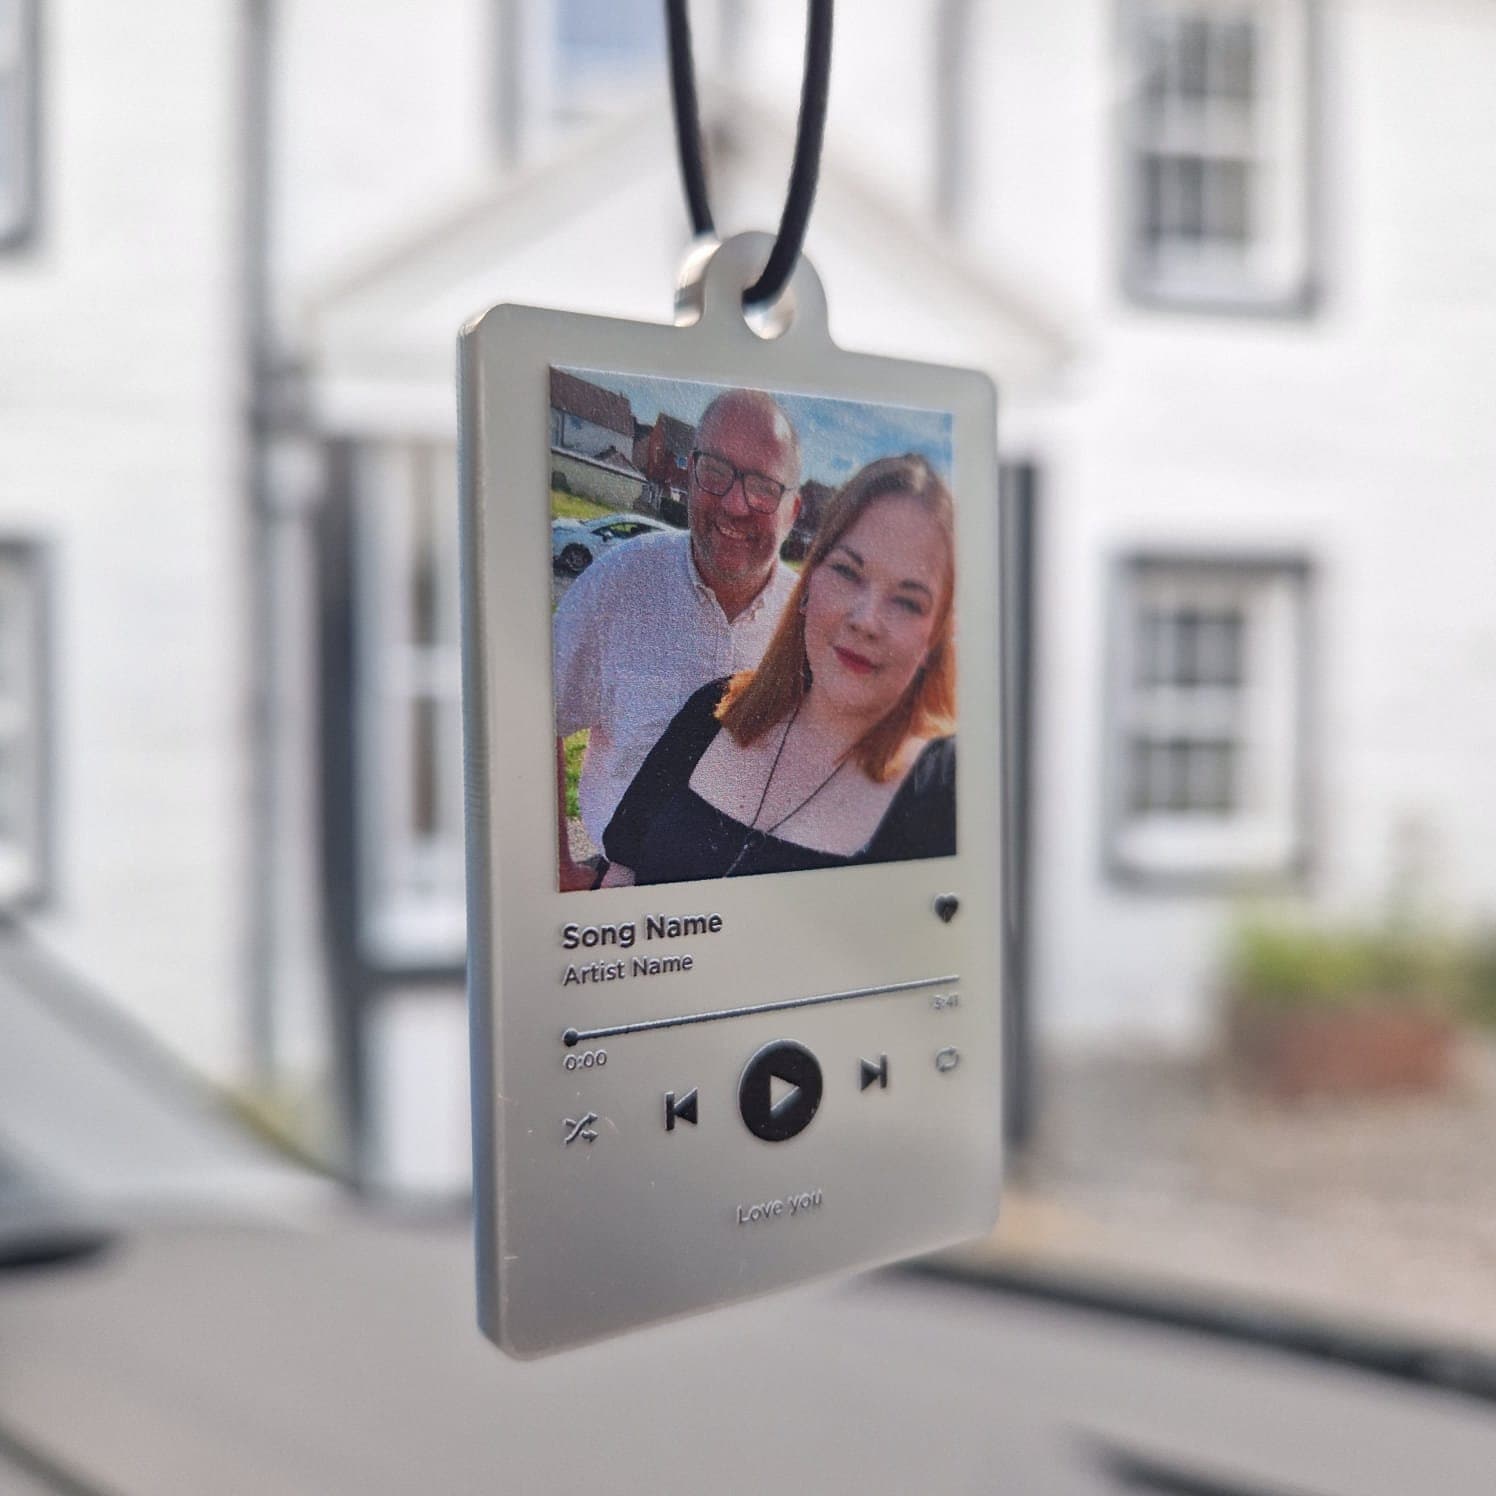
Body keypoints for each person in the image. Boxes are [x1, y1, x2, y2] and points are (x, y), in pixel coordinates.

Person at [600, 453, 956, 887]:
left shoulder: (943, 796)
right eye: (847, 571)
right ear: (807, 586)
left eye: (908, 601)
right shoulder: (711, 711)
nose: (866, 620)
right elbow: (621, 875)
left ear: (934, 640)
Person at [553, 388, 803, 890]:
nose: (735, 503)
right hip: (627, 894)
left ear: (793, 511)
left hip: (759, 900)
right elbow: (534, 720)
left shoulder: (810, 621)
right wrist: (559, 868)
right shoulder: (616, 584)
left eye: (763, 486)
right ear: (690, 474)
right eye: (715, 470)